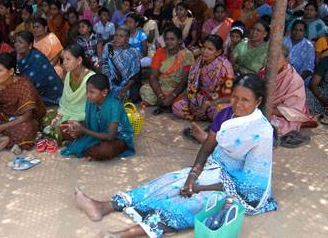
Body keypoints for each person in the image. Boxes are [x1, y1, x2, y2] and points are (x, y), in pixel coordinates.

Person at [74, 74, 278, 238]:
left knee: (192, 204)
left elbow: (251, 186)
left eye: (245, 100)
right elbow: (207, 148)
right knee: (168, 182)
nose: (237, 104)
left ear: (258, 101)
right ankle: (105, 206)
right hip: (215, 169)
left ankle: (122, 235)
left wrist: (199, 187)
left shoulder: (262, 132)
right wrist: (191, 177)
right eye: (234, 97)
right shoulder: (226, 115)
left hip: (238, 191)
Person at [61, 73, 135, 161]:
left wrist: (83, 130)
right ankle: (87, 148)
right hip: (97, 132)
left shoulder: (115, 106)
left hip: (118, 138)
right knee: (64, 128)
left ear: (104, 92)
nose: (87, 95)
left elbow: (110, 136)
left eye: (92, 92)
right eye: (87, 90)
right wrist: (76, 128)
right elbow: (87, 122)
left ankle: (82, 147)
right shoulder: (91, 101)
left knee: (104, 150)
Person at [0, 52, 46, 151]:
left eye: (0, 70)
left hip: (22, 119)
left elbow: (27, 116)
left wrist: (1, 128)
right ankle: (4, 139)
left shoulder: (25, 85)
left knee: (26, 129)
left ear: (11, 71)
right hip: (3, 114)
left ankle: (5, 139)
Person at [42, 44, 96, 144]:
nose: (64, 63)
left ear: (79, 60)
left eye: (68, 59)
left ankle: (72, 138)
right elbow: (65, 103)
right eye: (63, 59)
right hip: (68, 114)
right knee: (45, 120)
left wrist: (82, 124)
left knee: (64, 130)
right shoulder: (69, 74)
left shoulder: (91, 78)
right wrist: (58, 117)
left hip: (84, 118)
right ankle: (69, 138)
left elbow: (94, 108)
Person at [173, 34, 234, 122]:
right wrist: (192, 102)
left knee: (220, 113)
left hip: (216, 102)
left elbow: (228, 97)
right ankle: (201, 114)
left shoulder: (225, 67)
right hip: (200, 98)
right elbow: (193, 86)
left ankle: (203, 115)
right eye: (204, 47)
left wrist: (208, 104)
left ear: (218, 52)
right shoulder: (198, 62)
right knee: (177, 106)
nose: (205, 51)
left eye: (210, 49)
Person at [259, 45, 312, 136]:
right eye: (269, 57)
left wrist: (265, 110)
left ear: (286, 61)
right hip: (262, 110)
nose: (271, 61)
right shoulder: (263, 73)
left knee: (279, 126)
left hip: (283, 116)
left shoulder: (294, 80)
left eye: (276, 58)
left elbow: (291, 110)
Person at [141, 27, 194, 114]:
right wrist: (160, 95)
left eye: (172, 39)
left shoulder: (186, 55)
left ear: (179, 40)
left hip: (178, 88)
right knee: (145, 89)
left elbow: (184, 81)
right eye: (166, 39)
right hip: (162, 85)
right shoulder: (159, 52)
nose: (168, 42)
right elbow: (153, 76)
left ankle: (165, 102)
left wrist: (172, 96)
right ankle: (163, 101)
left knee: (185, 97)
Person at [14, 31, 63, 103]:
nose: (17, 44)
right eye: (16, 42)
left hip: (48, 94)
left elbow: (30, 80)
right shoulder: (14, 55)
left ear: (30, 45)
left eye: (20, 42)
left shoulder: (38, 58)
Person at [102, 25, 141, 103]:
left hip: (127, 84)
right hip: (110, 82)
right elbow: (104, 64)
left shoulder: (133, 51)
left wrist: (125, 88)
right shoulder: (108, 46)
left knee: (133, 95)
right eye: (116, 35)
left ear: (127, 39)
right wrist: (107, 83)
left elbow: (136, 74)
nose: (117, 38)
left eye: (121, 36)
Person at [283, 20, 315, 86]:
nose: (297, 32)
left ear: (305, 32)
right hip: (281, 75)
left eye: (300, 30)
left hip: (299, 78)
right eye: (295, 29)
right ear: (291, 30)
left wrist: (297, 80)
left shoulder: (308, 46)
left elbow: (309, 67)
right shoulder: (283, 41)